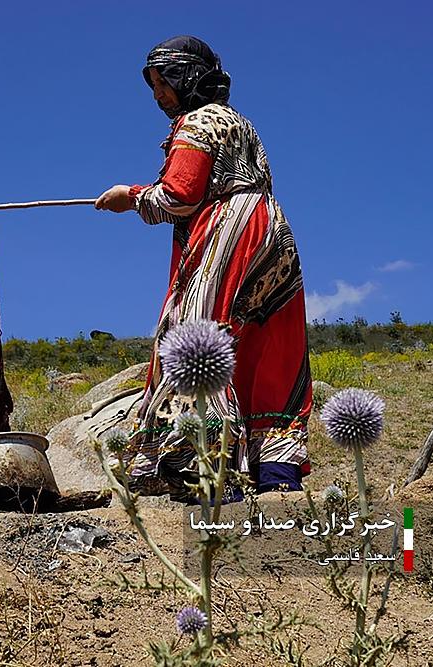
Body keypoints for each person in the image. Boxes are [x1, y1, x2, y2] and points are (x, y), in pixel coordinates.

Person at [94, 36, 312, 498]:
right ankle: (276, 473)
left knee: (200, 341)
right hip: (270, 230)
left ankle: (210, 472)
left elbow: (179, 195)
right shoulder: (240, 123)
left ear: (186, 77)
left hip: (227, 233)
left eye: (163, 85)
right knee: (266, 344)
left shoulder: (197, 122)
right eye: (154, 88)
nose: (158, 98)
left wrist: (130, 197)